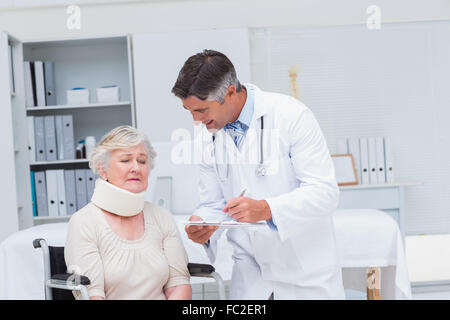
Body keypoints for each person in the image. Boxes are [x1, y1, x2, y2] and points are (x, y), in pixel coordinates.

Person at [172, 49, 345, 299]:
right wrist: (204, 225)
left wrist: (266, 208)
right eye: (190, 111)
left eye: (202, 110)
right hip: (251, 275)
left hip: (304, 272)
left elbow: (324, 193)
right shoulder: (206, 137)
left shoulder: (291, 116)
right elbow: (214, 204)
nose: (197, 120)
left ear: (230, 92)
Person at [64, 125, 191, 300]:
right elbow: (92, 296)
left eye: (142, 161)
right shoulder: (84, 222)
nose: (136, 168)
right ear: (102, 169)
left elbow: (178, 284)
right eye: (125, 160)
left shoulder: (161, 217)